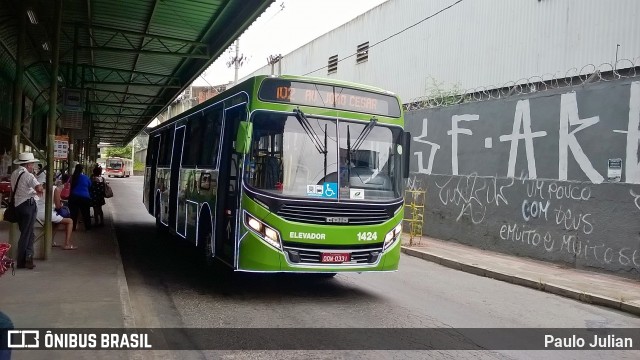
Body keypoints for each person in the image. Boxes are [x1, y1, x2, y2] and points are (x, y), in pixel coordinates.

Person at [10, 152, 43, 269]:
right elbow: (38, 187)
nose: (33, 165)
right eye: (32, 163)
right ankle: (22, 260)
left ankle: (28, 257)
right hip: (28, 206)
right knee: (26, 234)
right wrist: (40, 190)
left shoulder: (14, 173)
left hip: (18, 206)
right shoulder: (29, 176)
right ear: (28, 164)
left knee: (28, 233)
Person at [68, 164, 92, 231]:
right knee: (86, 213)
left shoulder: (72, 177)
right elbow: (90, 185)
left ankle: (73, 227)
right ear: (82, 170)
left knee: (73, 213)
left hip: (74, 196)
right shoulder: (86, 177)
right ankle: (88, 227)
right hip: (85, 197)